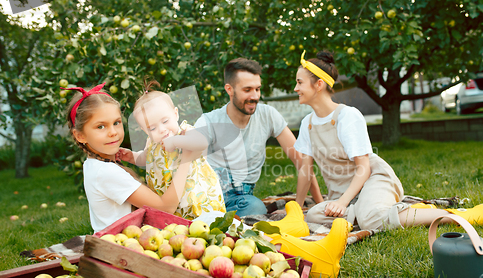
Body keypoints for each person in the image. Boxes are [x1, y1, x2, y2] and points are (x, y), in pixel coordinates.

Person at [292, 50, 463, 230]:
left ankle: (452, 216)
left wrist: (342, 203)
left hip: (373, 180)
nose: (295, 88)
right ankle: (374, 210)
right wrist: (296, 211)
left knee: (371, 220)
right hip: (345, 194)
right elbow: (305, 170)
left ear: (319, 85)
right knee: (312, 215)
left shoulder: (347, 117)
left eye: (299, 82)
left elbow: (364, 167)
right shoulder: (307, 124)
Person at [194, 58, 323, 217]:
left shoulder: (268, 115)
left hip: (242, 199)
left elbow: (301, 160)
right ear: (229, 89)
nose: (255, 96)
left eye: (257, 89)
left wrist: (319, 203)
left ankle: (220, 219)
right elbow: (191, 171)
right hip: (209, 195)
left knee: (256, 208)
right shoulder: (208, 122)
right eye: (247, 90)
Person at [64, 83, 193, 233]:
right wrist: (186, 159)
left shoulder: (93, 164)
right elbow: (165, 208)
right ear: (80, 135)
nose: (113, 132)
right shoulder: (106, 172)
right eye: (101, 126)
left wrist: (134, 157)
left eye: (116, 123)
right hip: (122, 245)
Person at [117, 80, 226, 220]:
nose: (162, 130)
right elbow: (146, 158)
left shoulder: (186, 132)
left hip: (200, 202)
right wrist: (132, 157)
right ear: (145, 130)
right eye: (152, 128)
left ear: (176, 114)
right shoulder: (152, 143)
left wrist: (175, 141)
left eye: (165, 121)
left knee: (208, 227)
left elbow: (202, 143)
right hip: (172, 205)